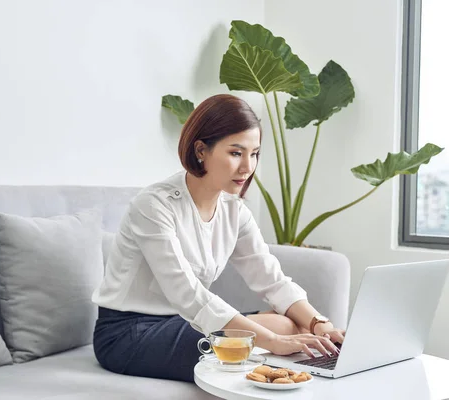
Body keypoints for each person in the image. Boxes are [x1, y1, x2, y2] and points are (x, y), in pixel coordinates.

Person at [91, 94, 346, 383]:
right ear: (201, 150)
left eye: (254, 153)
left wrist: (319, 324)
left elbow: (272, 280)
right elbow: (188, 294)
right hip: (130, 332)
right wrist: (272, 341)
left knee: (289, 325)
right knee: (275, 334)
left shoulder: (233, 209)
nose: (248, 167)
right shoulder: (153, 205)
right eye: (236, 153)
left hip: (187, 322)